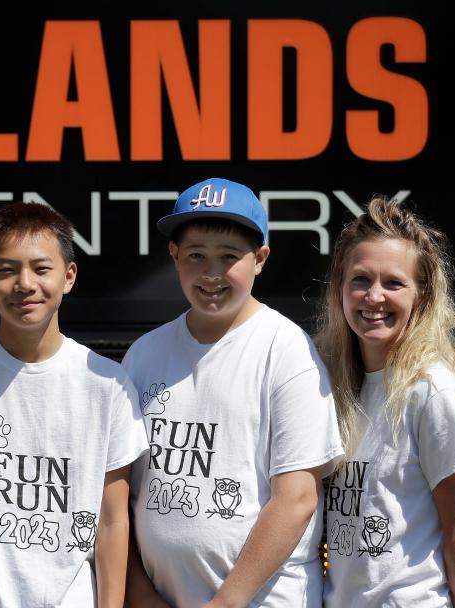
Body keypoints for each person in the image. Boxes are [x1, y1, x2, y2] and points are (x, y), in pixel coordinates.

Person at [0, 201, 148, 607]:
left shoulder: (107, 382)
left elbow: (112, 520)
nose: (24, 284)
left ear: (68, 276)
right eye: (7, 270)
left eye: (41, 268)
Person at [123, 177, 344, 607]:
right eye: (195, 256)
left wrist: (225, 603)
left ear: (260, 258)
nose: (210, 273)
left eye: (229, 257)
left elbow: (297, 497)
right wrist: (140, 593)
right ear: (174, 256)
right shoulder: (143, 355)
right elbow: (118, 496)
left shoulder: (286, 350)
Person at [317, 197, 455, 607]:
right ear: (340, 286)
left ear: (421, 297)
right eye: (361, 280)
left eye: (393, 283)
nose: (374, 297)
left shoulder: (430, 390)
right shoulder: (327, 382)